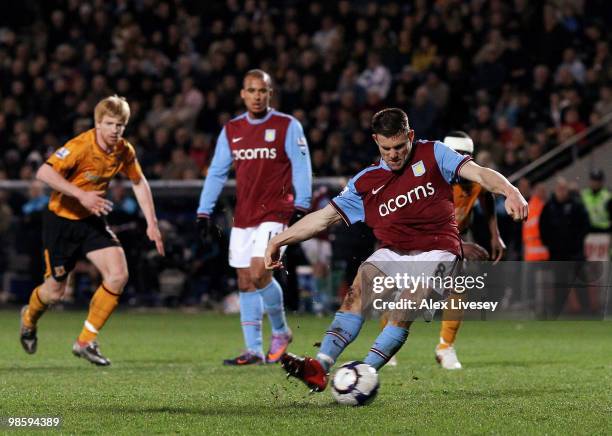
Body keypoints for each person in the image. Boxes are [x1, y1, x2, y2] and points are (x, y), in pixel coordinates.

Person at [264, 108, 527, 392]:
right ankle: (320, 367)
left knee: (409, 301)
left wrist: (510, 191)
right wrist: (278, 241)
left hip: (439, 250)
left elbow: (479, 174)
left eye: (400, 146)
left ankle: (364, 373)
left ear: (410, 136)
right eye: (386, 147)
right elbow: (323, 218)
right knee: (356, 294)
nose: (393, 154)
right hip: (394, 250)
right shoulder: (365, 182)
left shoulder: (434, 154)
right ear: (376, 141)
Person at [19, 95, 165, 366]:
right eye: (109, 124)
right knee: (54, 293)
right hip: (61, 221)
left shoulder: (124, 150)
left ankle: (85, 340)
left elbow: (139, 181)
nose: (114, 130)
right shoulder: (80, 146)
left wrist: (152, 223)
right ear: (98, 123)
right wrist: (81, 195)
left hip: (90, 220)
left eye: (120, 125)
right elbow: (44, 172)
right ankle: (29, 318)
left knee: (118, 274)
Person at [196, 69, 312, 365]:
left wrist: (302, 203)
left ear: (270, 94)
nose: (257, 96)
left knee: (261, 272)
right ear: (243, 94)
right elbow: (218, 171)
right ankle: (253, 350)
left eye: (263, 91)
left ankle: (282, 332)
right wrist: (204, 210)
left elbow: (301, 165)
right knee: (246, 280)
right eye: (252, 90)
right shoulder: (232, 129)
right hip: (244, 215)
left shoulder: (287, 125)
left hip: (276, 211)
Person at [382, 131, 506, 370]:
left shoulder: (473, 178)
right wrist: (460, 245)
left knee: (458, 287)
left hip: (453, 239)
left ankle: (445, 346)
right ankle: (387, 344)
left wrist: (494, 234)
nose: (461, 161)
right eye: (456, 155)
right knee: (408, 293)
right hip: (417, 239)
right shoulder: (429, 179)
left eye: (465, 156)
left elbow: (487, 196)